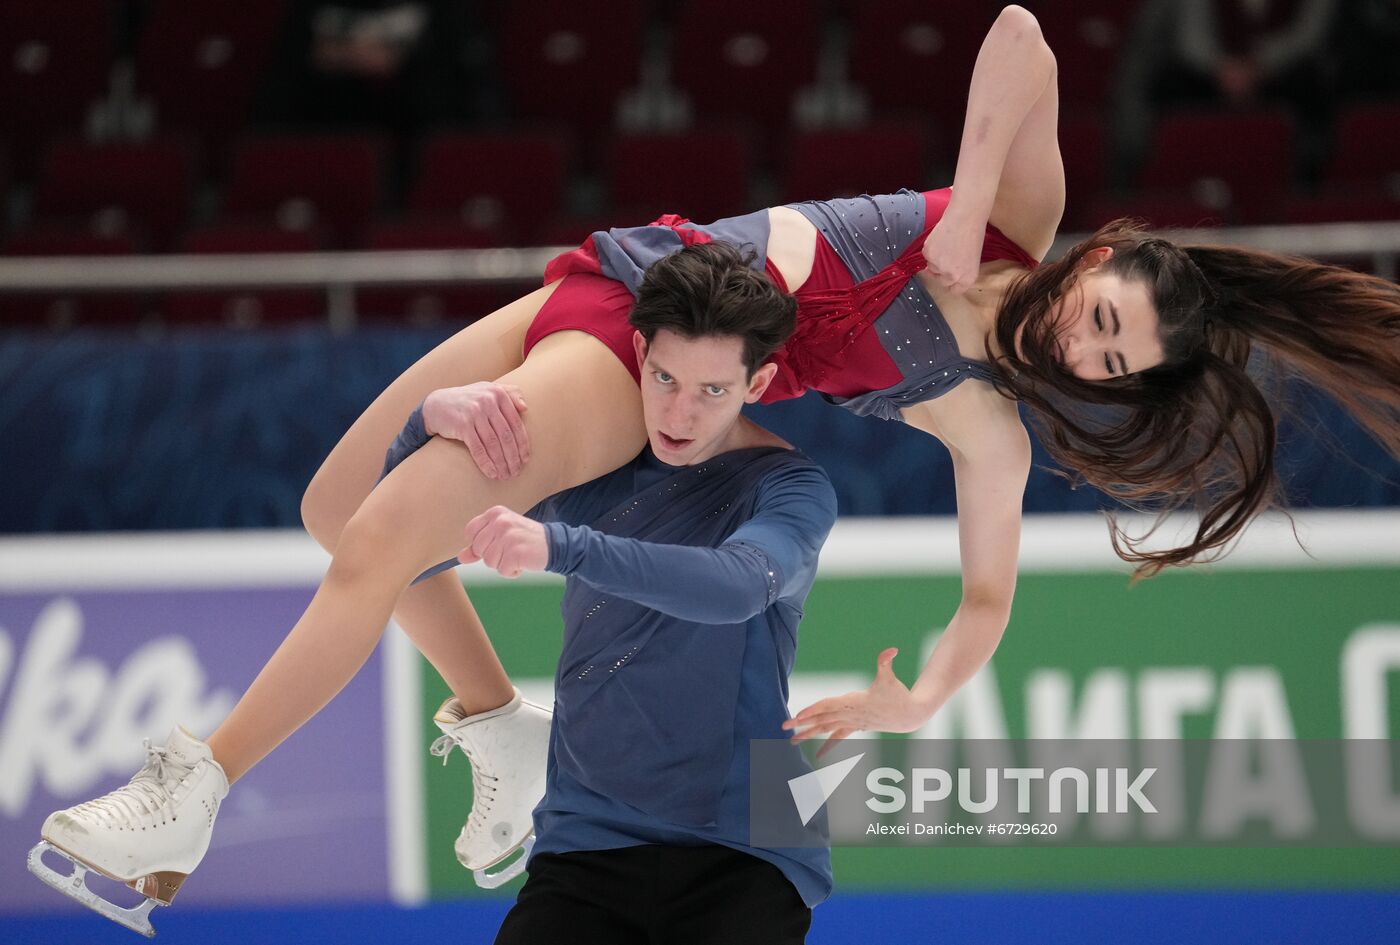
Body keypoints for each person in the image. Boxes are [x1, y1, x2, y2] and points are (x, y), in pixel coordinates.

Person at [31, 2, 1400, 929]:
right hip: (626, 264)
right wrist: (969, 209)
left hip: (658, 367)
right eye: (1103, 323)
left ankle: (190, 795)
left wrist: (921, 694)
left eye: (1114, 369)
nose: (1087, 354)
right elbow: (1023, 35)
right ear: (1094, 265)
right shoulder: (1023, 223)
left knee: (391, 532)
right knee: (337, 509)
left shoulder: (985, 422)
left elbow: (988, 597)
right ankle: (495, 720)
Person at [416, 241, 834, 943]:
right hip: (587, 841)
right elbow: (379, 533)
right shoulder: (586, 462)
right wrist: (431, 417)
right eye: (665, 377)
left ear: (757, 384)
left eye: (712, 391)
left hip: (749, 851)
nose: (680, 413)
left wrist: (562, 544)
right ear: (638, 350)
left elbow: (737, 586)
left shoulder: (789, 488)